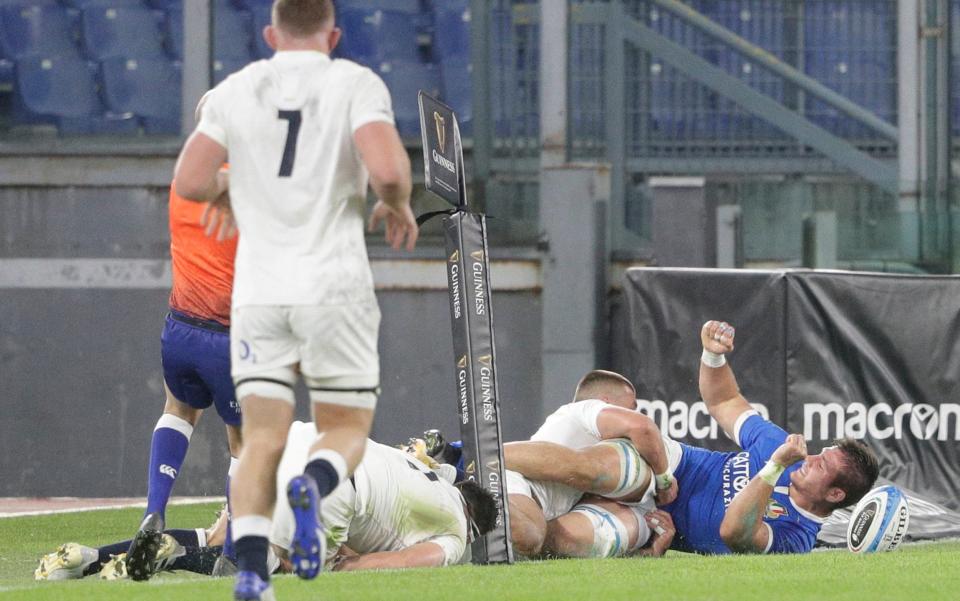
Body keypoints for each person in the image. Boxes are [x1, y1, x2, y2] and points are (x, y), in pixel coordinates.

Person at [172, 0, 417, 597]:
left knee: (261, 439)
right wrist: (397, 200)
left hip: (259, 295)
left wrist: (231, 185)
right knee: (345, 428)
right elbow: (386, 171)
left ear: (269, 33)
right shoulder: (355, 83)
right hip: (334, 289)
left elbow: (190, 181)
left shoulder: (237, 88)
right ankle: (313, 481)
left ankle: (253, 572)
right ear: (333, 35)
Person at [503, 321, 881, 555]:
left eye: (822, 465)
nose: (810, 458)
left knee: (557, 542)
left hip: (650, 520)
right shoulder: (774, 443)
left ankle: (487, 521)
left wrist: (773, 468)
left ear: (834, 494)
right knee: (597, 471)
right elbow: (724, 400)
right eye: (821, 453)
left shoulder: (797, 536)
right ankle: (480, 454)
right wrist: (713, 357)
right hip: (664, 466)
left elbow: (734, 533)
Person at [36, 423, 495, 581]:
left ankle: (93, 557)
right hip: (335, 490)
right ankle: (169, 561)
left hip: (301, 436)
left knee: (222, 534)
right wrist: (339, 566)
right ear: (474, 522)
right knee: (269, 563)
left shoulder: (425, 468)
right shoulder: (458, 531)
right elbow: (404, 564)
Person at [126, 149, 241, 580]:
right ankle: (230, 552)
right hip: (228, 337)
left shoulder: (182, 184)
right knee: (243, 446)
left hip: (179, 329)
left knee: (177, 411)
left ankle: (154, 512)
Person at [501, 370, 677, 558]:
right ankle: (481, 476)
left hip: (531, 506)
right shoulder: (585, 409)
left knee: (534, 543)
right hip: (512, 481)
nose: (633, 412)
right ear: (606, 402)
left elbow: (594, 538)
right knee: (530, 536)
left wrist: (651, 552)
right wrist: (664, 479)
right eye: (631, 407)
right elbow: (643, 428)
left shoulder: (593, 449)